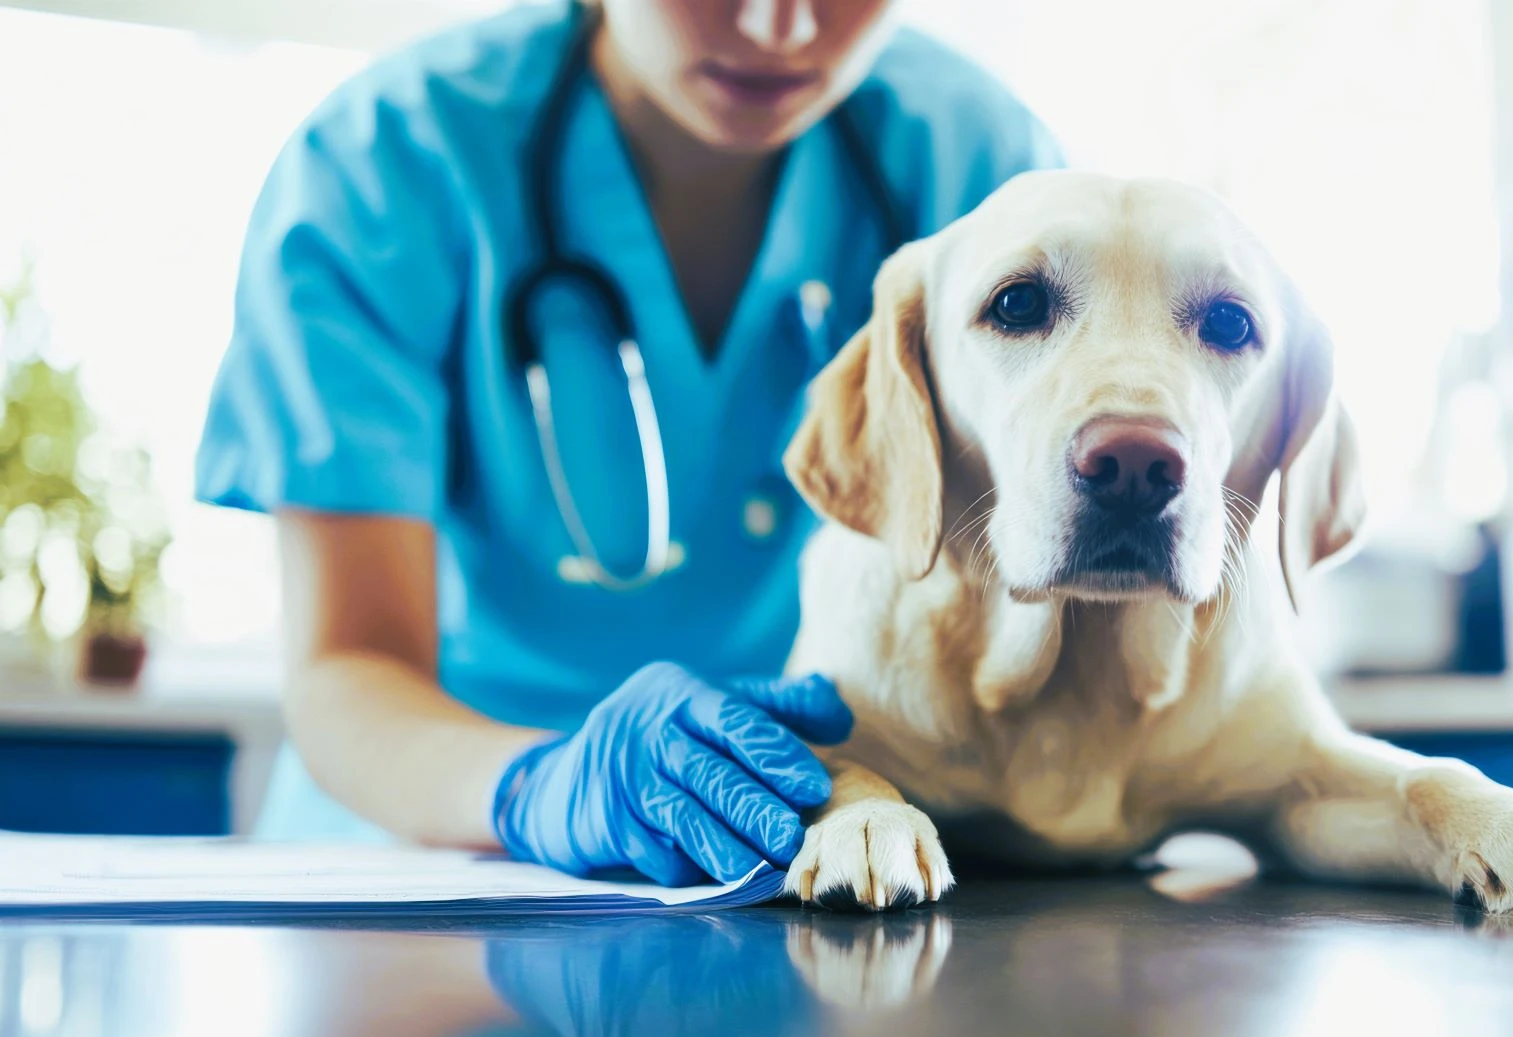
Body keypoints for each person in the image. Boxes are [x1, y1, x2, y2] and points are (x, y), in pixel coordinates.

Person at [195, 0, 1059, 885]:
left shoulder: (987, 178)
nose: (780, 26)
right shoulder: (386, 162)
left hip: (816, 859)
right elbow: (350, 665)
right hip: (436, 861)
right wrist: (541, 788)